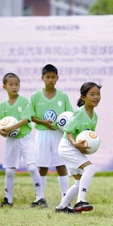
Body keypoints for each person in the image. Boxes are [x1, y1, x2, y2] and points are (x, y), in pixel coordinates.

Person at [0, 72, 46, 208]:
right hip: (11, 141)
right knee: (9, 171)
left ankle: (40, 198)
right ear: (4, 86)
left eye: (16, 84)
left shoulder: (23, 101)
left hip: (25, 138)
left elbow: (25, 119)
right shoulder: (2, 105)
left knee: (33, 168)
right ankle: (8, 200)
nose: (14, 87)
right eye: (10, 84)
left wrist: (11, 127)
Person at [30, 64, 74, 204]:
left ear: (57, 78)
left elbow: (70, 116)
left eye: (53, 77)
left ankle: (65, 198)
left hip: (58, 134)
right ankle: (40, 197)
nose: (50, 80)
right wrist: (44, 122)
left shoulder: (63, 96)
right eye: (47, 77)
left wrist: (63, 124)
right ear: (42, 78)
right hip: (42, 133)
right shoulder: (36, 96)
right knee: (42, 165)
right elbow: (30, 116)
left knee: (60, 165)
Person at [54, 82, 101, 213]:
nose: (96, 97)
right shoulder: (79, 113)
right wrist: (75, 144)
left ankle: (62, 207)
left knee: (79, 182)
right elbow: (67, 130)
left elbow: (88, 136)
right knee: (90, 169)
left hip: (74, 147)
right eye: (92, 94)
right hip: (68, 146)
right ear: (83, 97)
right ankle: (80, 201)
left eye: (98, 94)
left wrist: (89, 146)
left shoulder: (95, 116)